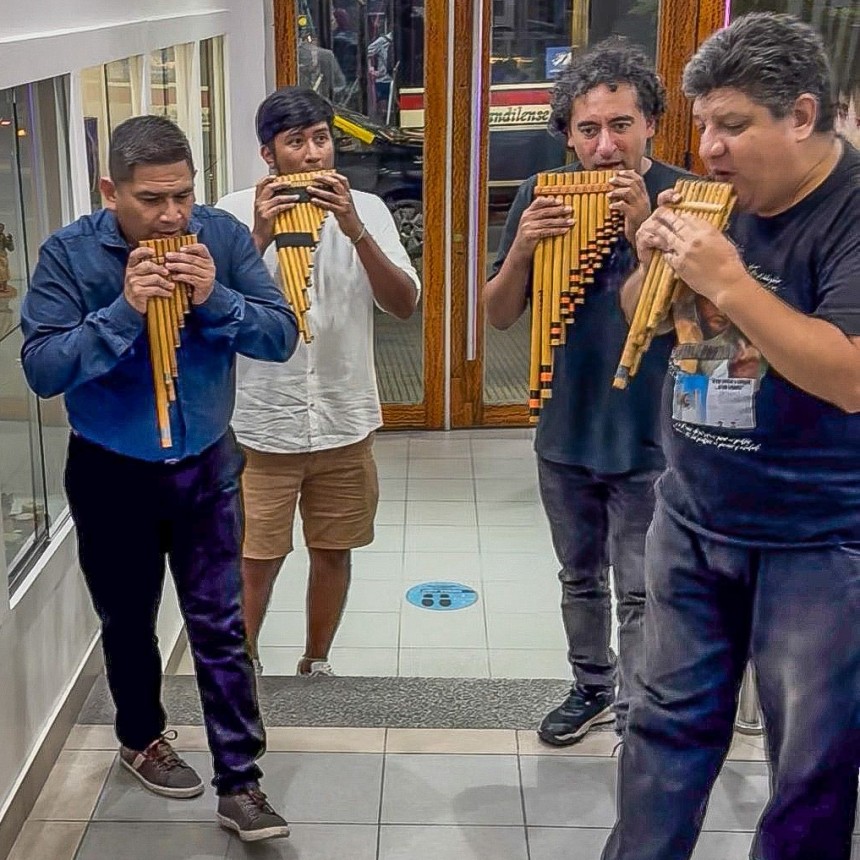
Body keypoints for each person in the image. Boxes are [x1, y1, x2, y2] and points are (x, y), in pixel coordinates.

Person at [603, 13, 859, 860]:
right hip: (692, 515)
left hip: (818, 540)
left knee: (811, 767)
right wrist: (649, 265)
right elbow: (650, 314)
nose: (707, 148)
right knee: (661, 740)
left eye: (733, 125)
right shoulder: (712, 198)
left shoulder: (851, 214)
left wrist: (730, 278)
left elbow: (849, 377)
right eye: (702, 124)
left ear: (803, 115)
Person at [20, 115, 297, 843]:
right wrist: (123, 311)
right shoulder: (69, 256)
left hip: (206, 465)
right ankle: (141, 737)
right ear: (111, 190)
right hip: (110, 472)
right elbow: (43, 370)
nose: (173, 215)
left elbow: (281, 336)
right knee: (128, 622)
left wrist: (217, 298)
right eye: (152, 199)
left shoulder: (223, 240)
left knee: (220, 627)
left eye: (183, 195)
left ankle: (242, 782)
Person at [484, 39, 689, 745]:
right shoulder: (545, 198)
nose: (605, 146)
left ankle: (638, 708)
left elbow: (687, 322)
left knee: (641, 590)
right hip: (565, 430)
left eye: (621, 125)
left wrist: (642, 234)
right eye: (588, 129)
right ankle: (590, 687)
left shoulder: (689, 202)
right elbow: (500, 313)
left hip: (654, 435)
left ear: (651, 124)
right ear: (567, 134)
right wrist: (520, 251)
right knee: (578, 577)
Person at [216, 87, 420, 678]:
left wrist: (355, 229)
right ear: (267, 153)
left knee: (334, 550)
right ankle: (243, 665)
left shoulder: (370, 209)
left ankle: (317, 661)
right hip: (261, 421)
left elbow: (404, 304)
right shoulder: (231, 214)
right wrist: (258, 237)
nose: (312, 155)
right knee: (257, 559)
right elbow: (212, 316)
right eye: (296, 142)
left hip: (344, 417)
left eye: (321, 138)